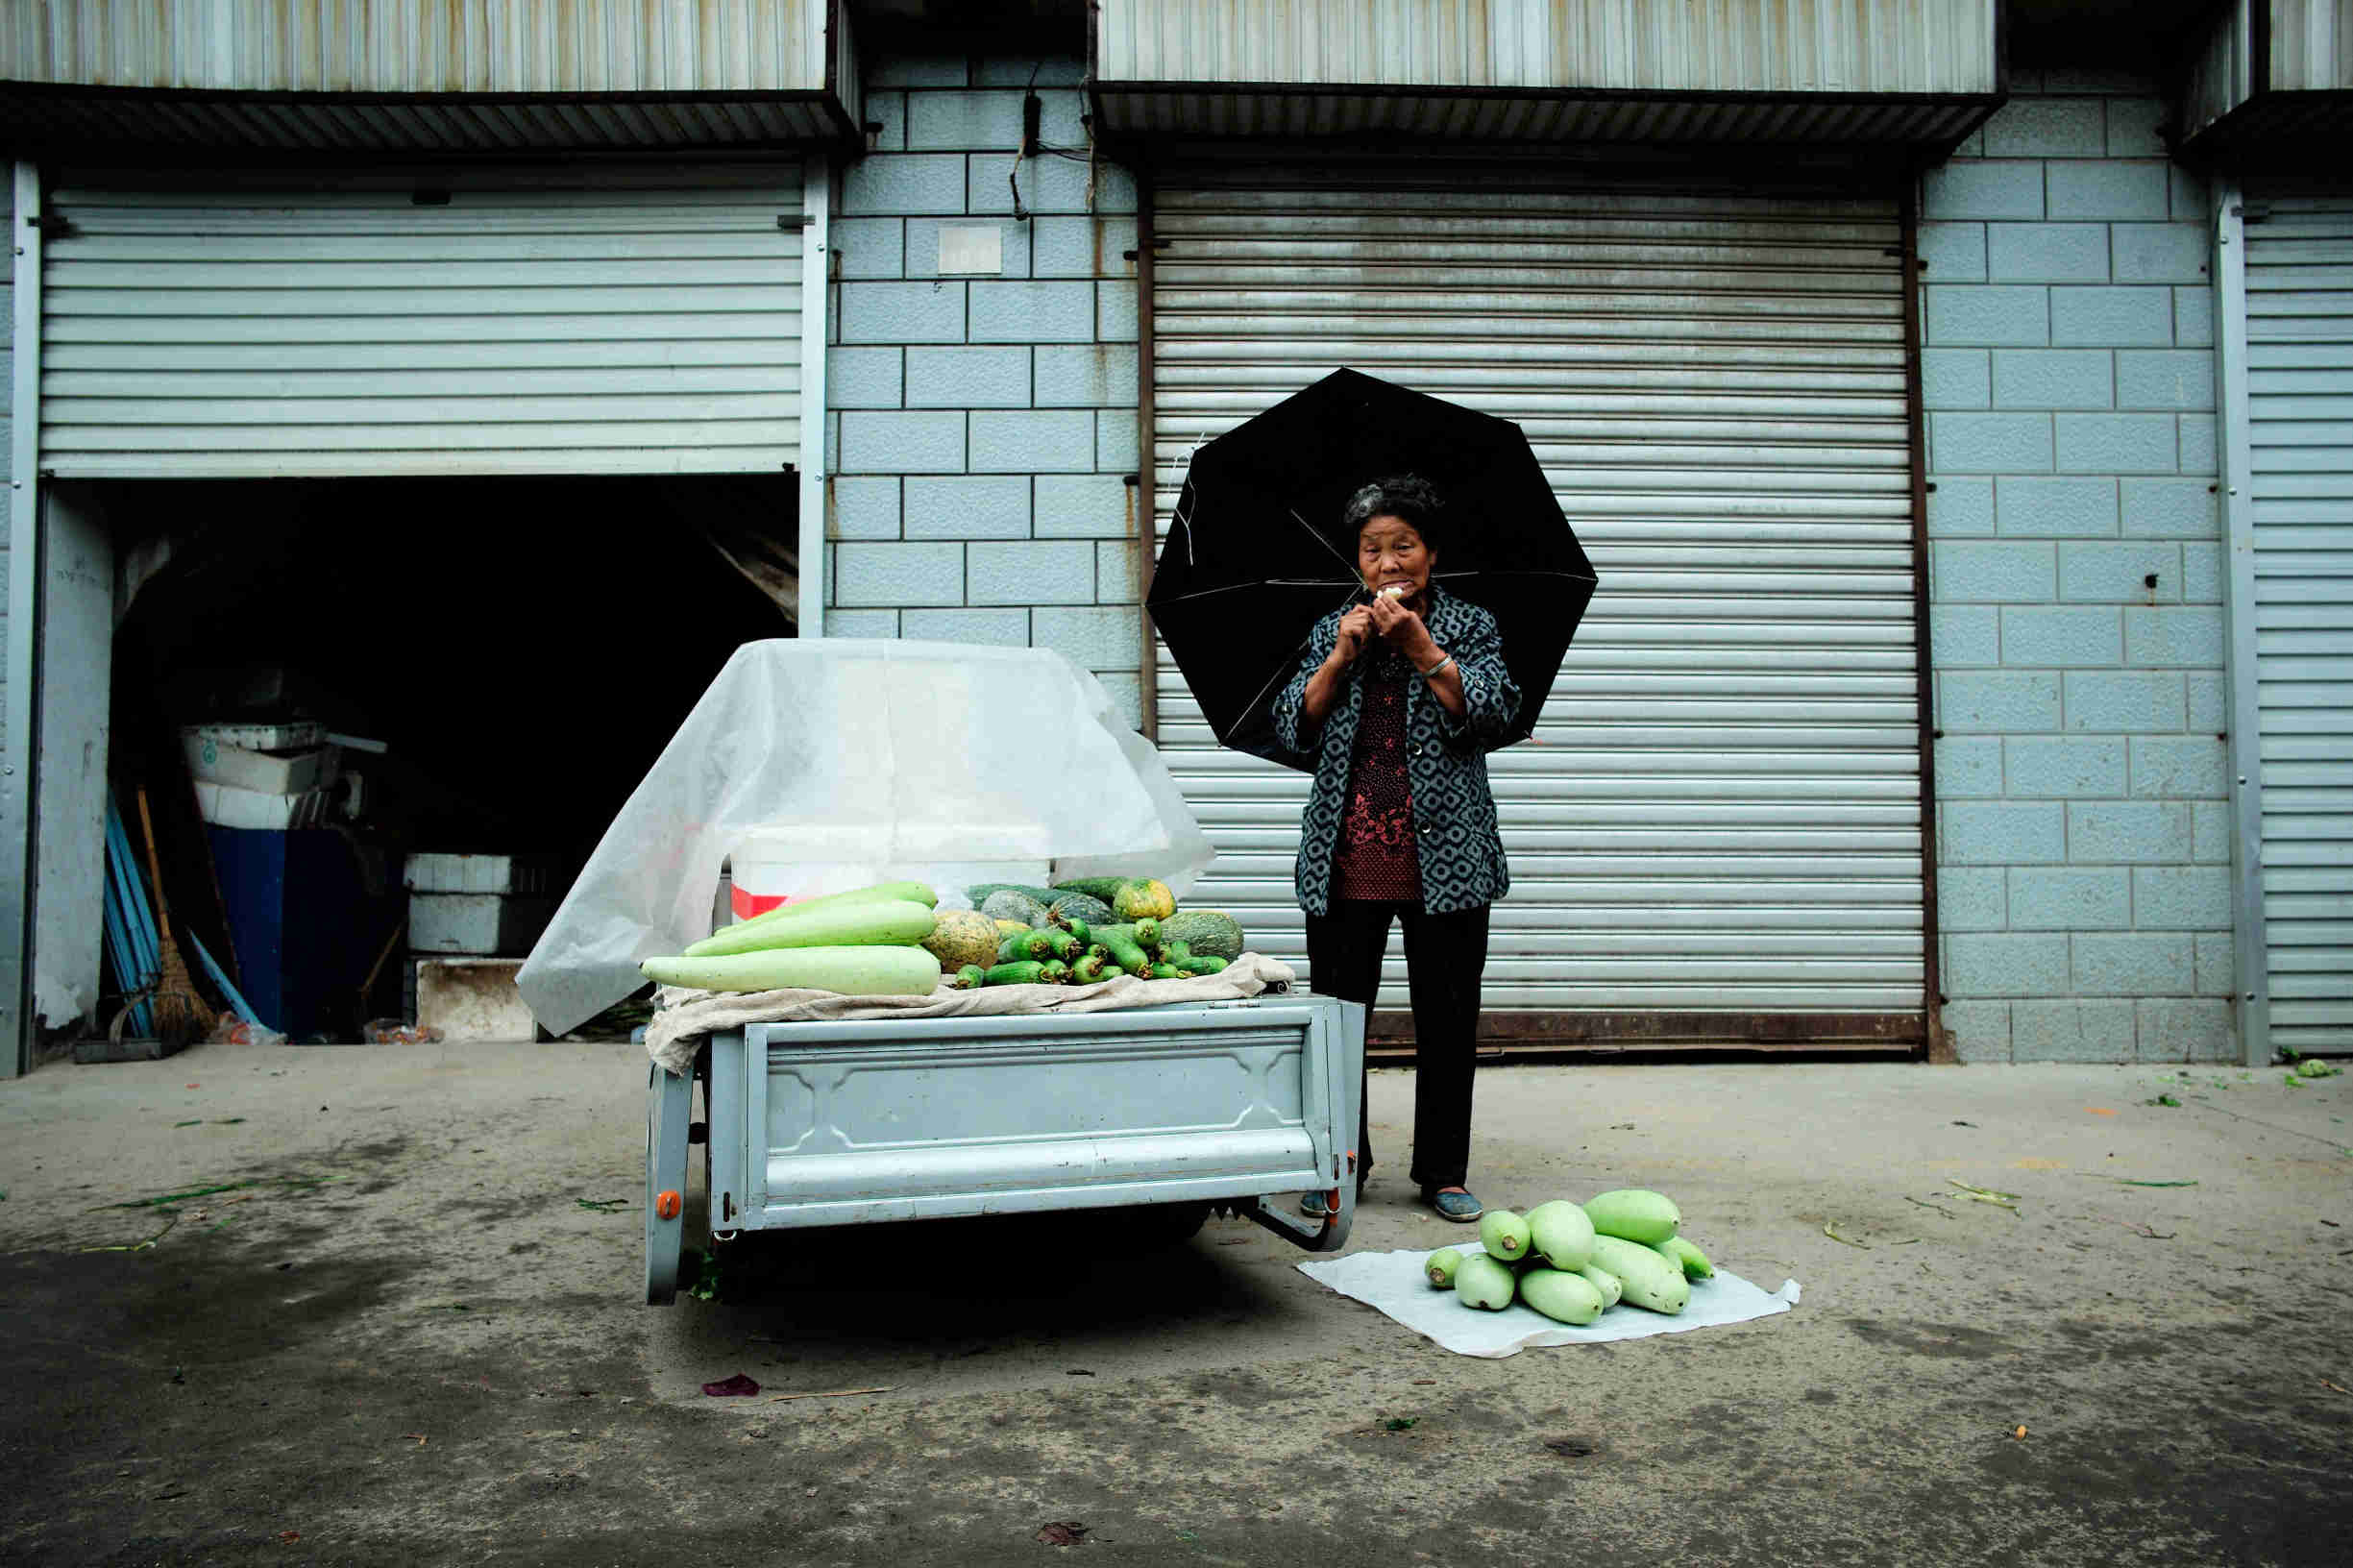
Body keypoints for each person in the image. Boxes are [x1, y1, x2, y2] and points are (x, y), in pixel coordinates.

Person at [1272, 474, 1520, 1223]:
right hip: (1346, 860)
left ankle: (1442, 1171)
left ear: (1430, 554)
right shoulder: (1331, 627)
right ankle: (1339, 1161)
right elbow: (1292, 727)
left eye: (1402, 547)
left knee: (1447, 1018)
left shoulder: (1469, 625)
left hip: (1447, 865)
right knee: (1338, 1022)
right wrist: (1338, 658)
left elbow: (1494, 712)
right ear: (1358, 561)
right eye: (1372, 549)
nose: (1387, 563)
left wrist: (1422, 647)